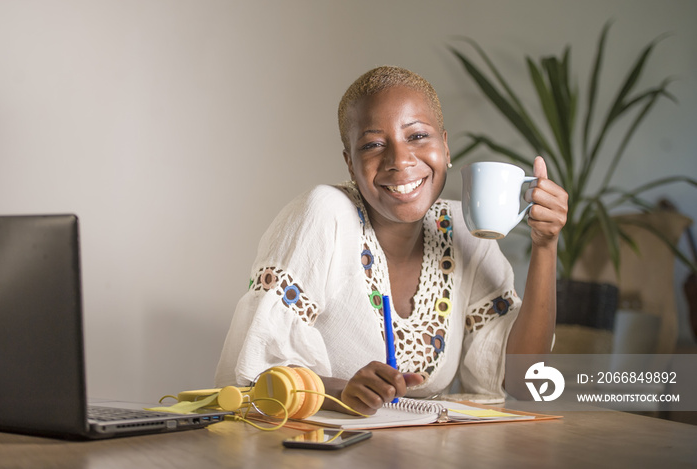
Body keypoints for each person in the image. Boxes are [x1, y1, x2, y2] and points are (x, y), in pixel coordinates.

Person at [214, 65, 568, 415]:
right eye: (373, 145)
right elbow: (254, 379)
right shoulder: (325, 214)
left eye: (416, 137)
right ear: (350, 164)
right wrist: (339, 390)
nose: (399, 160)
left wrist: (545, 245)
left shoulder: (463, 230)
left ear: (445, 148)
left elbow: (523, 382)